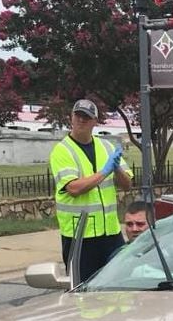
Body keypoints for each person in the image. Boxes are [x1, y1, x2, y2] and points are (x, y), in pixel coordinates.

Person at [49, 99, 133, 281]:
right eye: (78, 115)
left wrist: (117, 167)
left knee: (118, 285)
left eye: (86, 117)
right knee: (83, 289)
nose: (81, 120)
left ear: (95, 121)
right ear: (71, 117)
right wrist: (104, 171)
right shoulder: (62, 151)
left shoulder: (107, 147)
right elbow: (73, 188)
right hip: (80, 237)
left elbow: (127, 185)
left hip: (110, 233)